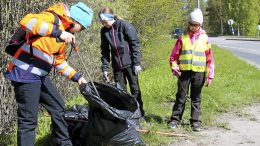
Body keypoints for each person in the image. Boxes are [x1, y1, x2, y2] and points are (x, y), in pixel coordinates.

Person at [4, 2, 93, 146]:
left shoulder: (64, 36)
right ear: (76, 21)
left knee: (59, 109)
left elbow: (59, 62)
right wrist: (58, 32)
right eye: (82, 28)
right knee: (28, 121)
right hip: (25, 74)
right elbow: (27, 21)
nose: (80, 31)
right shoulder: (52, 18)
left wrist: (78, 77)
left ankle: (64, 143)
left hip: (40, 76)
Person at [168, 8, 214, 132]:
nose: (194, 27)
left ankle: (195, 121)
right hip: (184, 72)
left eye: (196, 25)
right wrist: (174, 66)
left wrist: (210, 75)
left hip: (199, 72)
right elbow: (173, 56)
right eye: (192, 24)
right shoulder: (182, 37)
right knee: (181, 96)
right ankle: (175, 119)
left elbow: (210, 59)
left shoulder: (205, 39)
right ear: (188, 23)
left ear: (200, 24)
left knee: (196, 97)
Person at [98, 7, 145, 117]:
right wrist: (105, 68)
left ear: (111, 18)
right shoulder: (104, 31)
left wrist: (136, 62)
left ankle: (139, 114)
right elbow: (105, 51)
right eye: (102, 22)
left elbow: (135, 44)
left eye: (105, 22)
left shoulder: (124, 26)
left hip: (130, 64)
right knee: (120, 91)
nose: (104, 24)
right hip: (117, 66)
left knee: (135, 90)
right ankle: (125, 115)